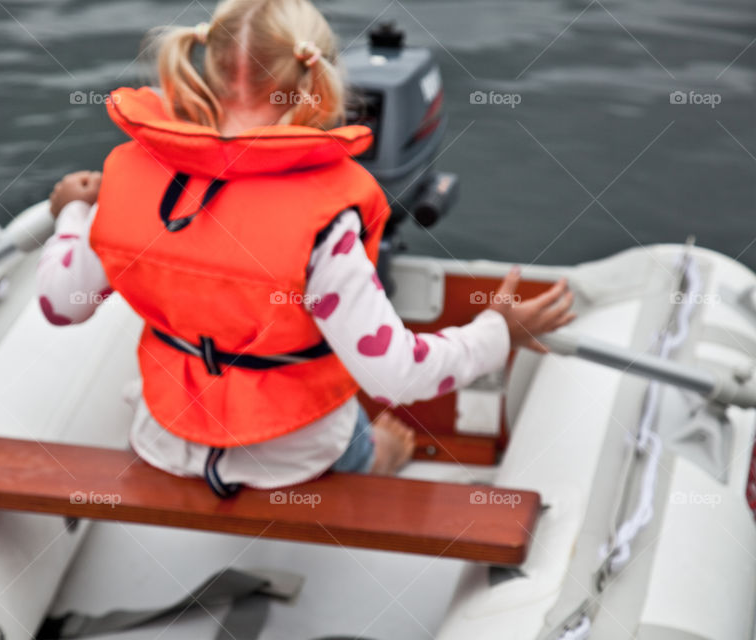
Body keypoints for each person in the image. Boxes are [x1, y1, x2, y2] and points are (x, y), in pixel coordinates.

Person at [36, 0, 575, 495]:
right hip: (295, 455)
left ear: (207, 63)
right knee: (362, 423)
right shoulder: (326, 218)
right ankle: (378, 456)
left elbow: (60, 305)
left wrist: (73, 213)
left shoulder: (128, 176)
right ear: (316, 79)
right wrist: (501, 331)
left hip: (166, 435)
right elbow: (394, 376)